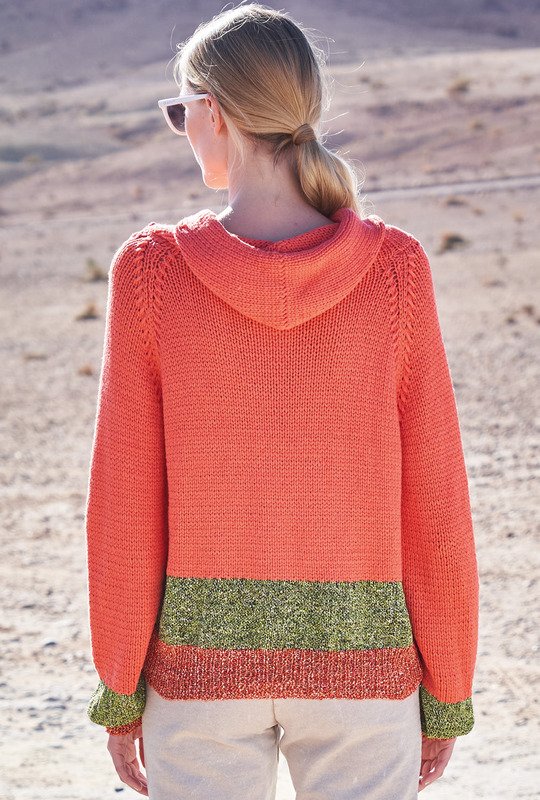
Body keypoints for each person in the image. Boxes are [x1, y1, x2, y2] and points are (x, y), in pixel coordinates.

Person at [84, 3, 480, 798]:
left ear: (213, 113)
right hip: (366, 675)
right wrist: (448, 688)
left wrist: (121, 687)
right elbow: (435, 497)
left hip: (196, 678)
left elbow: (125, 499)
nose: (183, 129)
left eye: (180, 112)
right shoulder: (395, 270)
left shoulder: (152, 272)